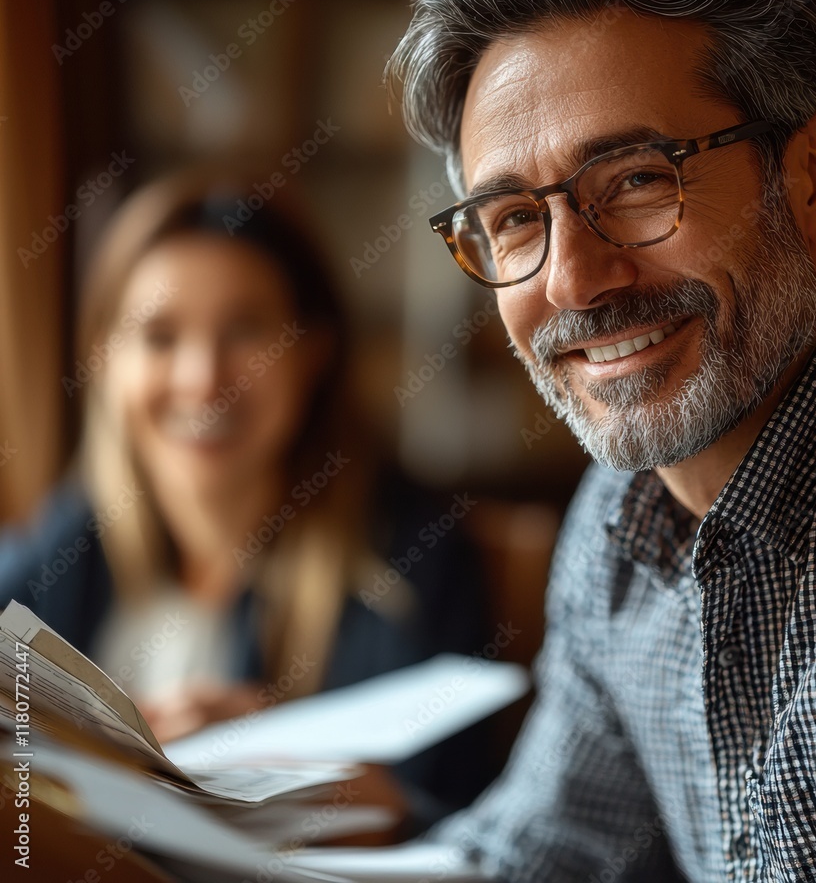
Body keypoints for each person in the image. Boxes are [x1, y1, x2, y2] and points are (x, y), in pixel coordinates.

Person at [385, 0, 816, 882]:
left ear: (812, 176)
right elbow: (539, 855)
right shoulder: (623, 519)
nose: (571, 280)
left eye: (634, 179)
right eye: (510, 218)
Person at [0, 168, 494, 824]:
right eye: (159, 336)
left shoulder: (413, 566)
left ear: (313, 350)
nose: (203, 379)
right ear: (105, 358)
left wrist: (314, 774)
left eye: (246, 330)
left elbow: (485, 828)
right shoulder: (63, 547)